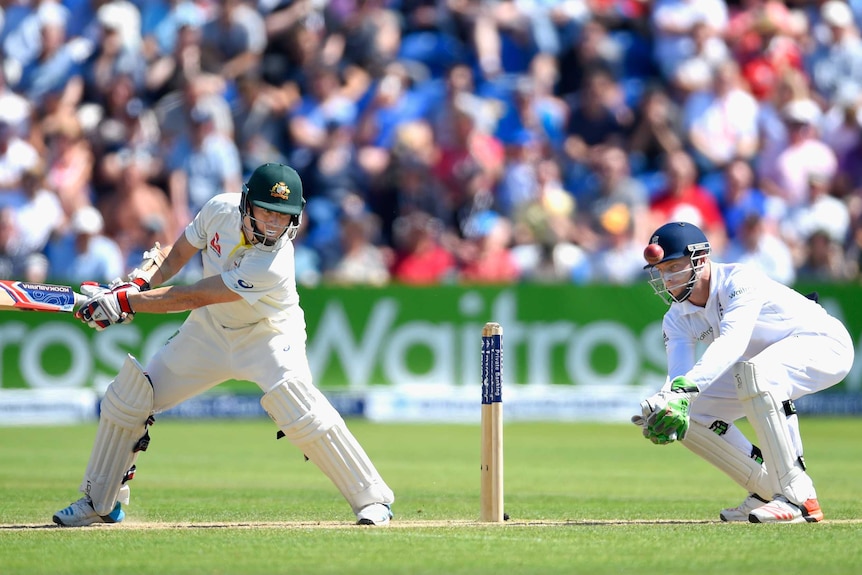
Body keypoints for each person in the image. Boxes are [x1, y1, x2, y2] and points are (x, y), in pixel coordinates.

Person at [52, 163, 395, 527]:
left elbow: (196, 295)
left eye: (283, 217)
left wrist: (124, 304)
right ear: (246, 204)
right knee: (130, 397)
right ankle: (101, 501)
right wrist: (135, 284)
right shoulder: (219, 209)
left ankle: (373, 500)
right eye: (266, 213)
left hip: (268, 334)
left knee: (298, 403)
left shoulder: (275, 261)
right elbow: (176, 255)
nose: (274, 226)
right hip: (209, 333)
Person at [632, 221, 854, 524]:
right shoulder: (676, 318)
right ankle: (766, 490)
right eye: (661, 271)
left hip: (825, 343)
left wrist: (681, 392)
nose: (667, 279)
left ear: (700, 259)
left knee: (756, 373)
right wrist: (664, 403)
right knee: (691, 414)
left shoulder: (739, 280)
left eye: (674, 267)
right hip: (765, 365)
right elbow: (679, 378)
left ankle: (799, 497)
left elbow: (732, 343)